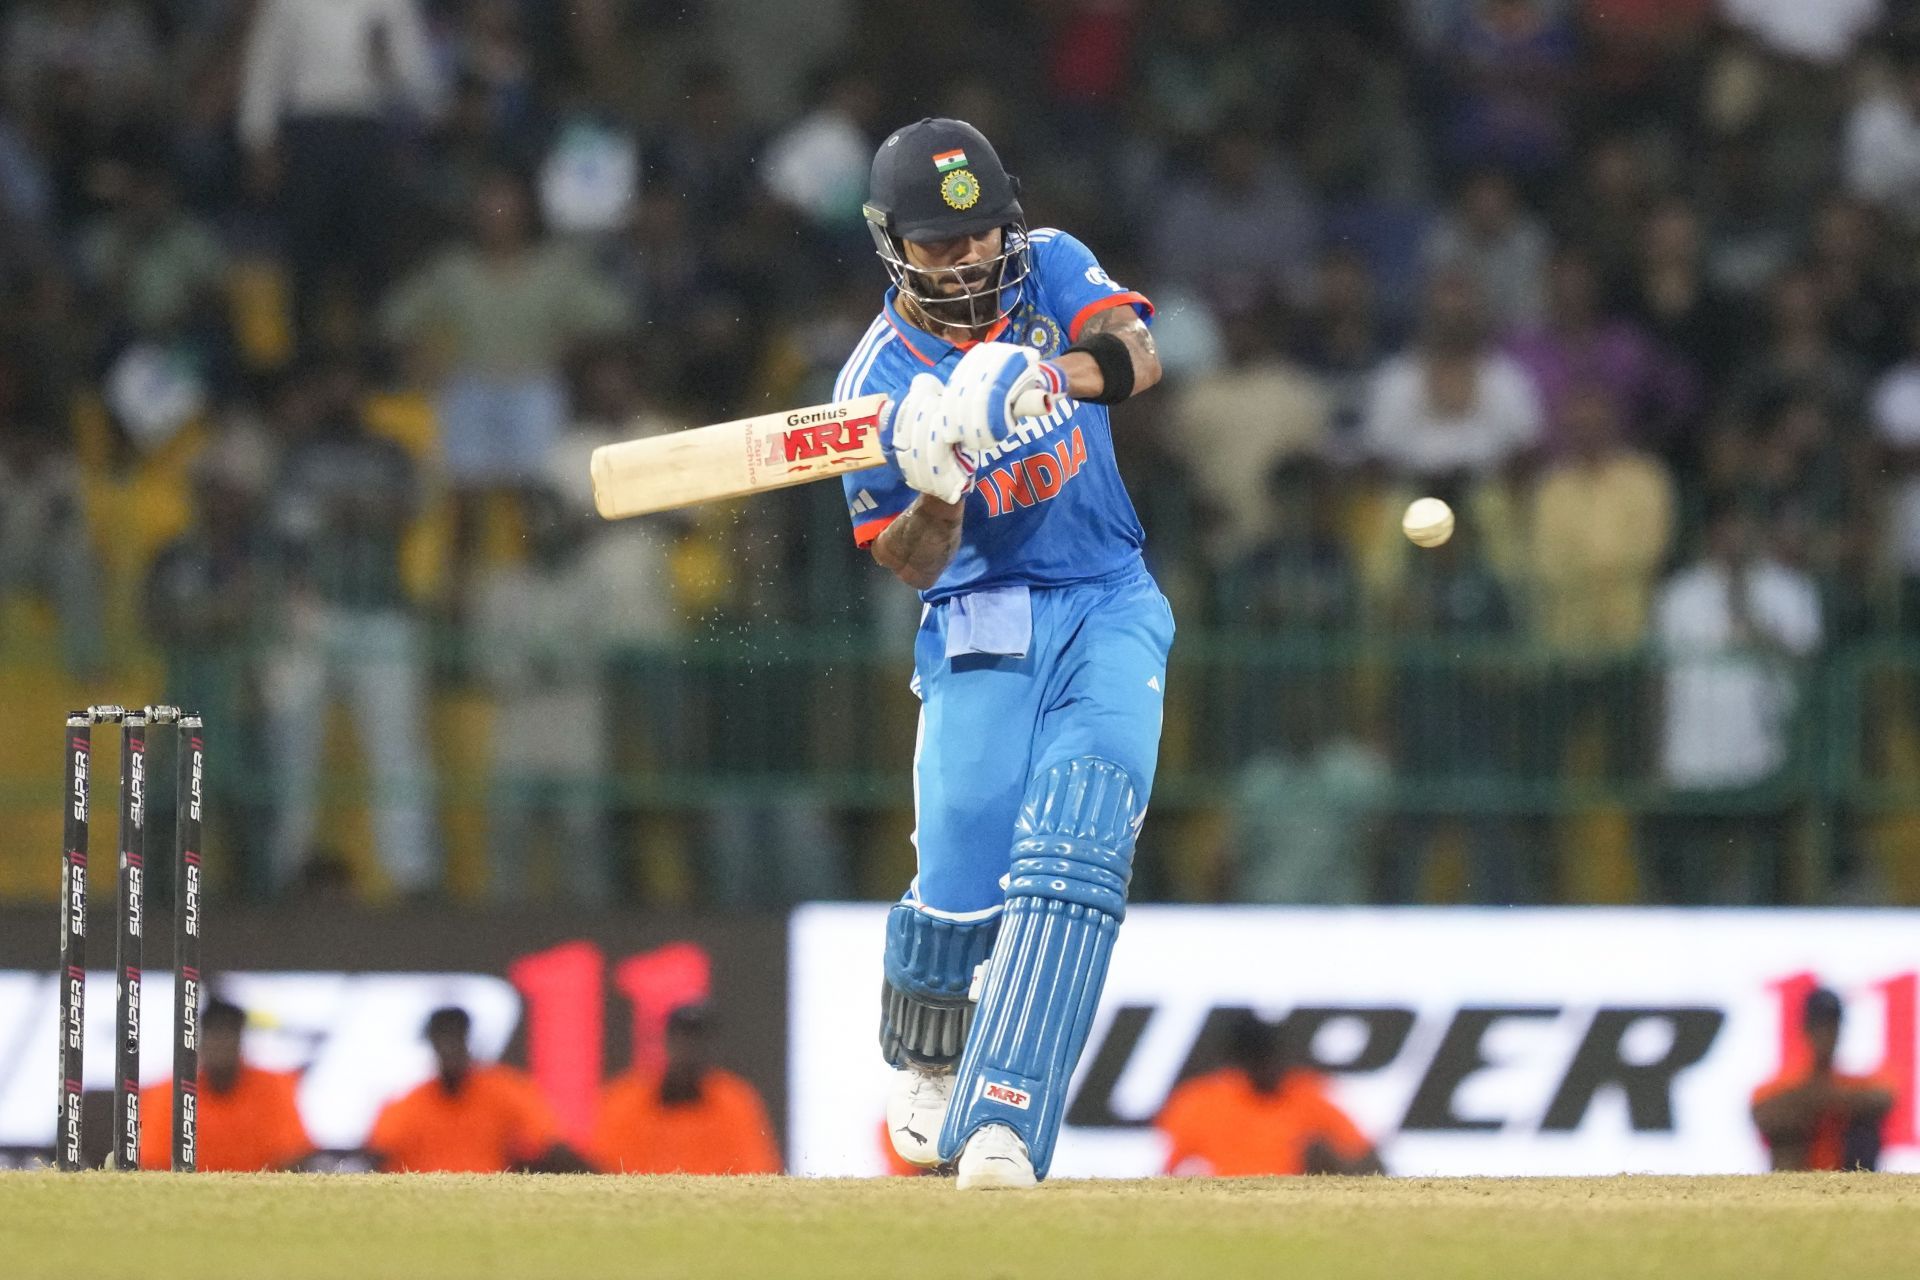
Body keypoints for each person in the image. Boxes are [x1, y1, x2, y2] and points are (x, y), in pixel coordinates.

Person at [843, 119, 1171, 1189]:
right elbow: (904, 561)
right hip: (981, 610)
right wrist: (939, 476)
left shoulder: (1054, 265)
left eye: (980, 234)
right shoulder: (874, 381)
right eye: (940, 246)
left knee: (1078, 842)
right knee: (963, 865)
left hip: (1109, 595)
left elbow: (1138, 355)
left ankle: (1005, 1120)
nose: (969, 259)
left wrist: (1045, 376)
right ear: (893, 245)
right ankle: (928, 1047)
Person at [1156, 1013, 1383, 1177]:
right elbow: (1168, 1174)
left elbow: (1371, 1162)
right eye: (1259, 1060)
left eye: (1274, 1058)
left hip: (1299, 1210)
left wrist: (1334, 1167)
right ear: (1238, 1063)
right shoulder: (1200, 1102)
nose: (1270, 1068)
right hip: (1229, 1211)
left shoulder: (1304, 1093)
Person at [365, 1007, 584, 1173]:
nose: (449, 1048)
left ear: (468, 1040)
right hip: (426, 1209)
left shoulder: (504, 1091)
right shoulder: (408, 1104)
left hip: (494, 1206)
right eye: (441, 1040)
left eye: (455, 1039)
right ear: (432, 1044)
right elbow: (378, 1156)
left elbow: (551, 1146)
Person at [589, 1004, 782, 1175]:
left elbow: (759, 1174)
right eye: (682, 1039)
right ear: (665, 1043)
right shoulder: (625, 1099)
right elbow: (603, 1170)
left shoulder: (735, 1100)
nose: (690, 1050)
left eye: (699, 1041)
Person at [138, 999, 312, 1172]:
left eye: (229, 1034)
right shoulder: (168, 1093)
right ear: (201, 1040)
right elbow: (152, 1164)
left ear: (240, 1039)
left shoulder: (273, 1087)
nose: (222, 1044)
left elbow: (295, 1156)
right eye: (214, 1034)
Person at [1751, 987, 1895, 1171]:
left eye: (1831, 1026)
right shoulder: (1784, 1085)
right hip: (1796, 1187)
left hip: (1847, 1182)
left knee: (1863, 1129)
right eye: (1819, 1026)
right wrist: (1815, 1101)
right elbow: (1763, 1114)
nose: (1826, 1034)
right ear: (1806, 1028)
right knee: (1787, 1131)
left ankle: (1858, 1188)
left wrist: (1825, 1098)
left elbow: (1884, 1097)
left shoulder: (1852, 1084)